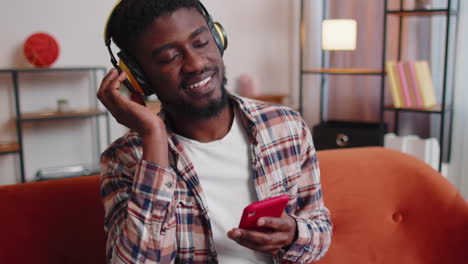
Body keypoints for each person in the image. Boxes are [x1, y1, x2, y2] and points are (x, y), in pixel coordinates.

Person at [97, 0, 332, 263]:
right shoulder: (124, 159)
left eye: (201, 43)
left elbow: (320, 229)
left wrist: (294, 235)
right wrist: (154, 136)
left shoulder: (286, 126)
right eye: (169, 57)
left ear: (218, 39)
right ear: (138, 77)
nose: (196, 64)